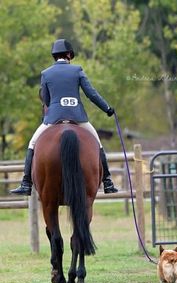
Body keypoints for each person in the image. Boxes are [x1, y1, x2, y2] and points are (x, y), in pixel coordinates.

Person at [10, 39, 118, 196]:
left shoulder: (46, 74)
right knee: (98, 144)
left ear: (54, 56)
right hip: (78, 117)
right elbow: (91, 94)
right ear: (69, 54)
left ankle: (26, 182)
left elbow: (46, 100)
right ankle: (107, 181)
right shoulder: (77, 70)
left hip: (54, 118)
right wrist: (107, 109)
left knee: (32, 144)